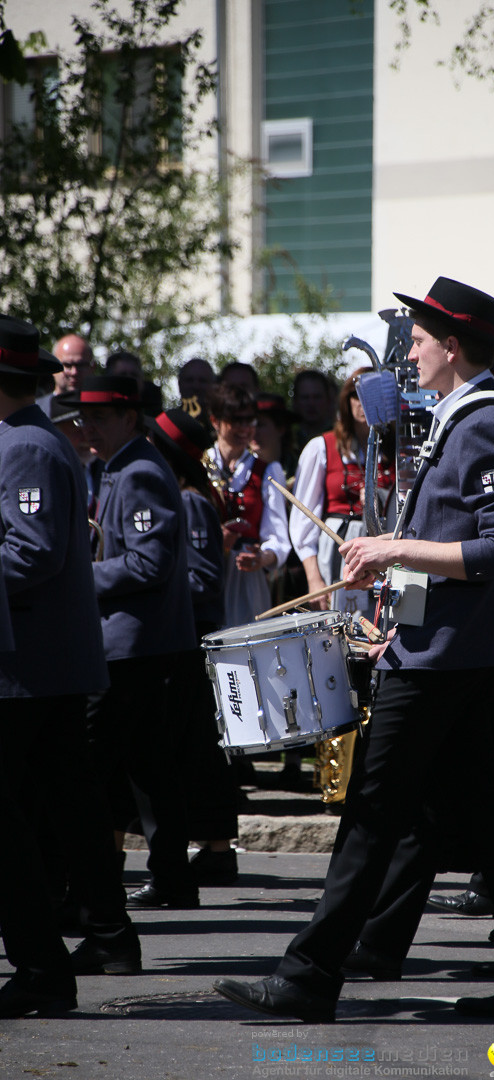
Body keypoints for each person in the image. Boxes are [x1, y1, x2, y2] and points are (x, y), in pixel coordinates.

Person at [212, 276, 494, 1023]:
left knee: (372, 812)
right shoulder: (462, 417)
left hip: (451, 663)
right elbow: (453, 542)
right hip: (444, 652)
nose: (407, 354)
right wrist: (399, 611)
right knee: (491, 819)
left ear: (451, 348)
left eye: (416, 342)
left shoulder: (482, 422)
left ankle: (311, 974)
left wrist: (390, 548)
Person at [0, 321, 141, 1019]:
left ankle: (40, 965)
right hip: (40, 662)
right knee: (70, 805)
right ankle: (105, 936)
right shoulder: (26, 438)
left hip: (27, 665)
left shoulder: (24, 444)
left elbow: (31, 553)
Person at [68, 374, 199, 909]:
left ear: (129, 417)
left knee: (90, 769)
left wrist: (78, 577)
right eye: (84, 419)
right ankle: (171, 876)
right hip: (137, 645)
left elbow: (149, 562)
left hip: (133, 647)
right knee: (149, 770)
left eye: (99, 418)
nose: (88, 428)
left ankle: (88, 888)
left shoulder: (139, 470)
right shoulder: (122, 467)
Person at [146, 407, 240, 885]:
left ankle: (217, 849)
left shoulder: (190, 502)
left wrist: (152, 578)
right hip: (182, 637)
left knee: (198, 749)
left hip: (192, 639)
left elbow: (202, 578)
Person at [289, 368, 395, 620]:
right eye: (357, 396)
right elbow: (303, 522)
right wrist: (314, 579)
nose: (364, 404)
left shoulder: (398, 451)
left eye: (373, 396)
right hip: (336, 551)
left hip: (385, 549)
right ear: (347, 401)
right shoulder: (321, 447)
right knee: (340, 628)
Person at [205, 382, 291, 627]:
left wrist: (261, 558)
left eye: (250, 421)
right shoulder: (198, 465)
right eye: (236, 420)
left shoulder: (267, 471)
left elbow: (277, 536)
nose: (244, 428)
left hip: (245, 577)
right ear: (215, 421)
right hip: (203, 571)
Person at [36, 333, 94, 415]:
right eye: (67, 365)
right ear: (53, 366)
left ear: (93, 367)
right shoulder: (35, 411)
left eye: (80, 365)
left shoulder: (103, 411)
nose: (74, 372)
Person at [291, 368, 337, 451]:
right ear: (295, 401)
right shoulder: (287, 443)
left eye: (317, 397)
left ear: (328, 400)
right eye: (305, 397)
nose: (311, 403)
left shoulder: (339, 440)